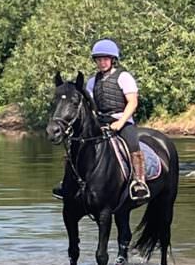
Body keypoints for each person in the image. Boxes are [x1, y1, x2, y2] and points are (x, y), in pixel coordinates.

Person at [53, 39, 149, 202]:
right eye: (99, 59)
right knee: (72, 147)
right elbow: (89, 106)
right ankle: (67, 183)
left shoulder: (123, 77)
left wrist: (120, 122)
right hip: (101, 121)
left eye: (105, 59)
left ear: (112, 60)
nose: (102, 62)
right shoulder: (92, 81)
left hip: (122, 120)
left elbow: (133, 102)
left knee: (133, 145)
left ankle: (139, 182)